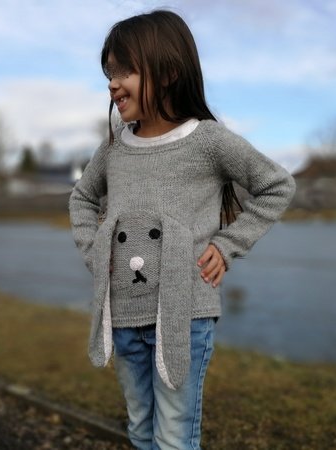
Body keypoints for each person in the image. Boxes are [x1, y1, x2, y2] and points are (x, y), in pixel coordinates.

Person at [69, 9, 296, 450]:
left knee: (173, 435)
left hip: (185, 316)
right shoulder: (114, 146)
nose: (113, 83)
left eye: (126, 70)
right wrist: (94, 248)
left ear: (169, 72)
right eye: (110, 72)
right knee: (139, 427)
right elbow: (82, 197)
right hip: (123, 316)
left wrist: (228, 245)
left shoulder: (208, 140)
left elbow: (276, 186)